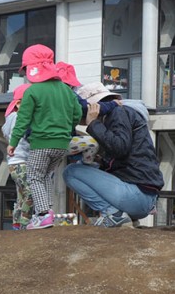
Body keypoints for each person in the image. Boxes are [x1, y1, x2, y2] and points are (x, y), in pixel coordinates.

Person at [63, 82, 164, 227]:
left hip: (137, 195)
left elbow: (119, 147)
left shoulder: (119, 113)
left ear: (93, 107)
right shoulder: (124, 114)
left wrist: (93, 125)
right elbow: (123, 156)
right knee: (88, 167)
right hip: (142, 197)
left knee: (71, 172)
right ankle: (124, 216)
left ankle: (113, 214)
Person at [6, 45, 82, 230]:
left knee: (34, 177)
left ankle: (42, 215)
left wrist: (13, 143)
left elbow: (22, 121)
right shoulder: (66, 90)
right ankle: (47, 211)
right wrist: (66, 129)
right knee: (46, 176)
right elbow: (77, 113)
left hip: (41, 144)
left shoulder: (33, 91)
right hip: (62, 144)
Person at [1, 83, 34, 229]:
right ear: (19, 104)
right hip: (21, 161)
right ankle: (25, 223)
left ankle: (16, 223)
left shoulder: (9, 118)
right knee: (31, 193)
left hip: (13, 163)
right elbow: (25, 137)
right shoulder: (18, 117)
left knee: (21, 195)